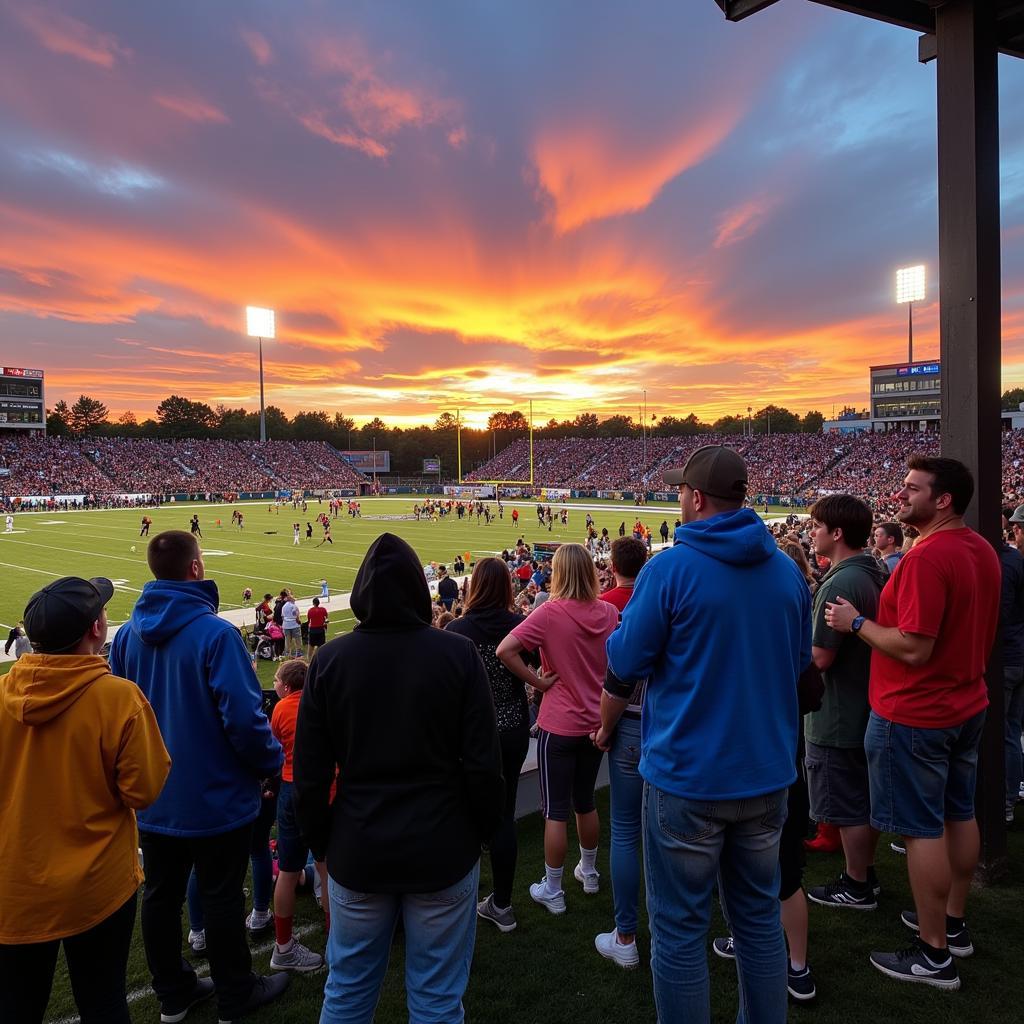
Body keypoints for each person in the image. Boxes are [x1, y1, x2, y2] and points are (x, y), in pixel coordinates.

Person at [607, 444, 810, 1022]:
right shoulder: (787, 573)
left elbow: (625, 660)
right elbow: (801, 670)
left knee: (678, 932)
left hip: (688, 778)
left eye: (679, 490)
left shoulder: (669, 568)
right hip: (768, 774)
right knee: (756, 921)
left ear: (695, 498)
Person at [294, 533, 503, 1024]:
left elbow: (310, 775)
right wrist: (480, 832)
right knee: (436, 1001)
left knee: (347, 991)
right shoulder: (457, 655)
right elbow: (483, 765)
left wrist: (321, 845)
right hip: (442, 845)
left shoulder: (329, 661)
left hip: (360, 844)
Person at [825, 456, 1000, 990]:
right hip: (966, 703)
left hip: (917, 711)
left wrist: (856, 623)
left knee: (921, 830)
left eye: (910, 488)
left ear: (942, 498)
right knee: (957, 814)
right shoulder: (981, 549)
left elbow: (915, 647)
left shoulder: (927, 558)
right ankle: (952, 923)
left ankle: (933, 953)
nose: (899, 496)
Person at [109, 530, 288, 1022]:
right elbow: (246, 721)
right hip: (216, 798)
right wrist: (270, 764)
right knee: (222, 897)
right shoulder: (216, 634)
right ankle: (235, 995)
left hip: (152, 798)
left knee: (160, 897)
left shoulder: (125, 635)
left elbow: (116, 716)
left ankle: (173, 993)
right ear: (194, 569)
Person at [0, 576, 170, 1024]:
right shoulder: (118, 698)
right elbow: (143, 791)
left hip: (13, 884)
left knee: (17, 1007)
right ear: (97, 628)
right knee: (103, 1002)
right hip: (95, 884)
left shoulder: (1, 695)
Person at [497, 543, 619, 914]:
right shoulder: (610, 611)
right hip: (595, 724)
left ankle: (553, 888)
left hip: (559, 724)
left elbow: (505, 650)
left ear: (560, 573)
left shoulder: (549, 613)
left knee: (555, 809)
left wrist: (538, 681)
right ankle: (590, 871)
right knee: (585, 801)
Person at [804, 495, 887, 911]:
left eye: (817, 526)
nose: (812, 532)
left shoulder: (840, 582)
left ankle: (856, 884)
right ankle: (864, 876)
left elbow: (820, 657)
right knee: (861, 800)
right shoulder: (870, 569)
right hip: (864, 702)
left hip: (838, 712)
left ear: (836, 533)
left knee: (848, 804)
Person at [445, 557, 532, 933]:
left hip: (470, 733)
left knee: (462, 815)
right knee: (503, 814)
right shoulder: (520, 625)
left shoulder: (458, 629)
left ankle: (456, 903)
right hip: (512, 727)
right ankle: (502, 903)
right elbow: (540, 666)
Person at [590, 537, 648, 969]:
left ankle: (626, 936)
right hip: (672, 723)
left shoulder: (611, 606)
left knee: (626, 829)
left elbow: (617, 675)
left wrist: (605, 726)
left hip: (627, 719)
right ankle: (681, 925)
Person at [269, 659, 326, 973]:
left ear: (287, 686)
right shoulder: (322, 702)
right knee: (326, 869)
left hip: (291, 788)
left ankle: (283, 946)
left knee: (288, 871)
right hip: (320, 787)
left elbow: (274, 747)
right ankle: (335, 941)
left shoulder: (279, 710)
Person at [1000, 525, 1024, 823]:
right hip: (1017, 655)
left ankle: (1001, 803)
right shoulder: (1015, 559)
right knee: (1011, 732)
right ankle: (1007, 798)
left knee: (1000, 733)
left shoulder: (1004, 563)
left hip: (1005, 659)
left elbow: (999, 616)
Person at [282, 593, 302, 658]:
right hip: (294, 624)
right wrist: (298, 621)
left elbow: (282, 616)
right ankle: (298, 652)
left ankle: (288, 653)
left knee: (287, 640)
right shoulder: (293, 606)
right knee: (297, 639)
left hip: (286, 625)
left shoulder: (284, 606)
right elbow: (296, 615)